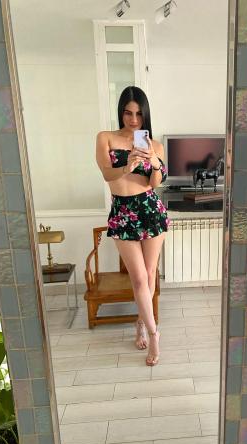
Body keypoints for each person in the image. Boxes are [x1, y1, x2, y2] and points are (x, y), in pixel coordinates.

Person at [94, 86, 169, 367]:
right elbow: (106, 174)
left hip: (150, 210)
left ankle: (141, 324)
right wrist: (128, 165)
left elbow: (154, 184)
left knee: (149, 275)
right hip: (123, 212)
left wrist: (154, 163)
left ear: (145, 114)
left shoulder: (154, 144)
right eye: (128, 113)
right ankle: (154, 333)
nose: (134, 119)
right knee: (138, 278)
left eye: (139, 114)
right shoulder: (106, 137)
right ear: (121, 112)